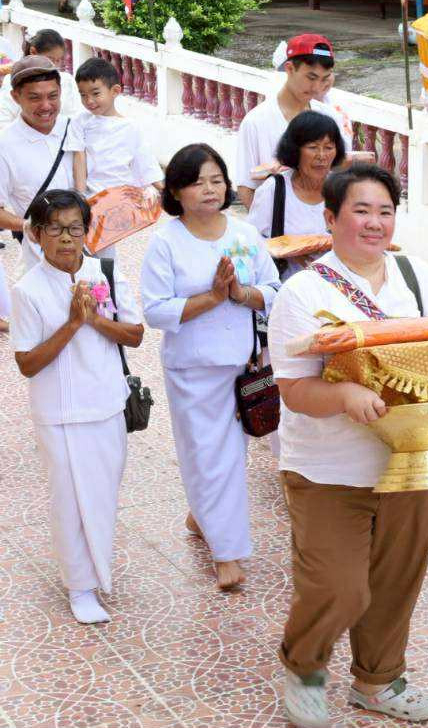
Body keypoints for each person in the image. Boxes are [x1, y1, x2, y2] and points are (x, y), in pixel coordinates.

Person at [269, 162, 428, 728]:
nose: (374, 223)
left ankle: (377, 681)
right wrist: (346, 395)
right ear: (330, 219)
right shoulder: (301, 293)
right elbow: (295, 389)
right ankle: (305, 669)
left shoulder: (416, 275)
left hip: (412, 458)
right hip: (329, 469)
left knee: (396, 579)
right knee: (338, 586)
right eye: (360, 210)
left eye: (384, 211)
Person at [141, 144, 280, 591]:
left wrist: (241, 295)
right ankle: (228, 552)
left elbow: (275, 289)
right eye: (198, 181)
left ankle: (208, 523)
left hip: (240, 363)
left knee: (228, 456)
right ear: (177, 191)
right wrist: (211, 299)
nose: (210, 189)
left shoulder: (244, 234)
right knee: (207, 454)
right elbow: (156, 310)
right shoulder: (166, 241)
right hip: (191, 367)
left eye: (216, 180)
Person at [10, 189, 144, 624]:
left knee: (102, 495)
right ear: (35, 234)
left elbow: (135, 333)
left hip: (106, 403)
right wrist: (72, 324)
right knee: (68, 499)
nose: (66, 239)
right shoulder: (27, 290)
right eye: (55, 228)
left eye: (75, 228)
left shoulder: (104, 270)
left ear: (87, 231)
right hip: (58, 413)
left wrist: (94, 319)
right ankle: (81, 586)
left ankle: (98, 572)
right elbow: (27, 363)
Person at [233, 34, 354, 210]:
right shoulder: (256, 122)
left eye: (324, 78)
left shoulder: (330, 117)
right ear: (289, 68)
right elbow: (246, 187)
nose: (316, 87)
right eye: (311, 78)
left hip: (324, 227)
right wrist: (271, 227)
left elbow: (340, 171)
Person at [69, 56, 163, 261]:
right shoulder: (80, 121)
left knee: (103, 251)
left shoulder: (131, 127)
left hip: (118, 197)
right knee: (91, 249)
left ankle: (106, 286)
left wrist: (172, 191)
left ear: (115, 91)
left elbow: (145, 163)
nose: (89, 101)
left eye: (95, 93)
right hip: (91, 195)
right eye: (83, 95)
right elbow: (78, 157)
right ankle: (100, 287)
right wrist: (79, 195)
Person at [0, 56, 84, 273]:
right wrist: (27, 226)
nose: (46, 106)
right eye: (35, 98)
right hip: (40, 260)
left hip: (90, 253)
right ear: (15, 97)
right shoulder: (5, 145)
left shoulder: (74, 128)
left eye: (53, 96)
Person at [247, 111, 343, 279]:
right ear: (295, 150)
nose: (322, 156)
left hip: (336, 287)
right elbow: (249, 242)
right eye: (313, 147)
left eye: (328, 147)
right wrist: (286, 252)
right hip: (286, 286)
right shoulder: (274, 189)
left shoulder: (343, 189)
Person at [0, 29, 81, 126]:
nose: (53, 65)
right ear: (33, 52)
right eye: (50, 59)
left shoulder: (66, 81)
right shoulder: (13, 82)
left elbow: (74, 116)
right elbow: (4, 120)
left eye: (58, 60)